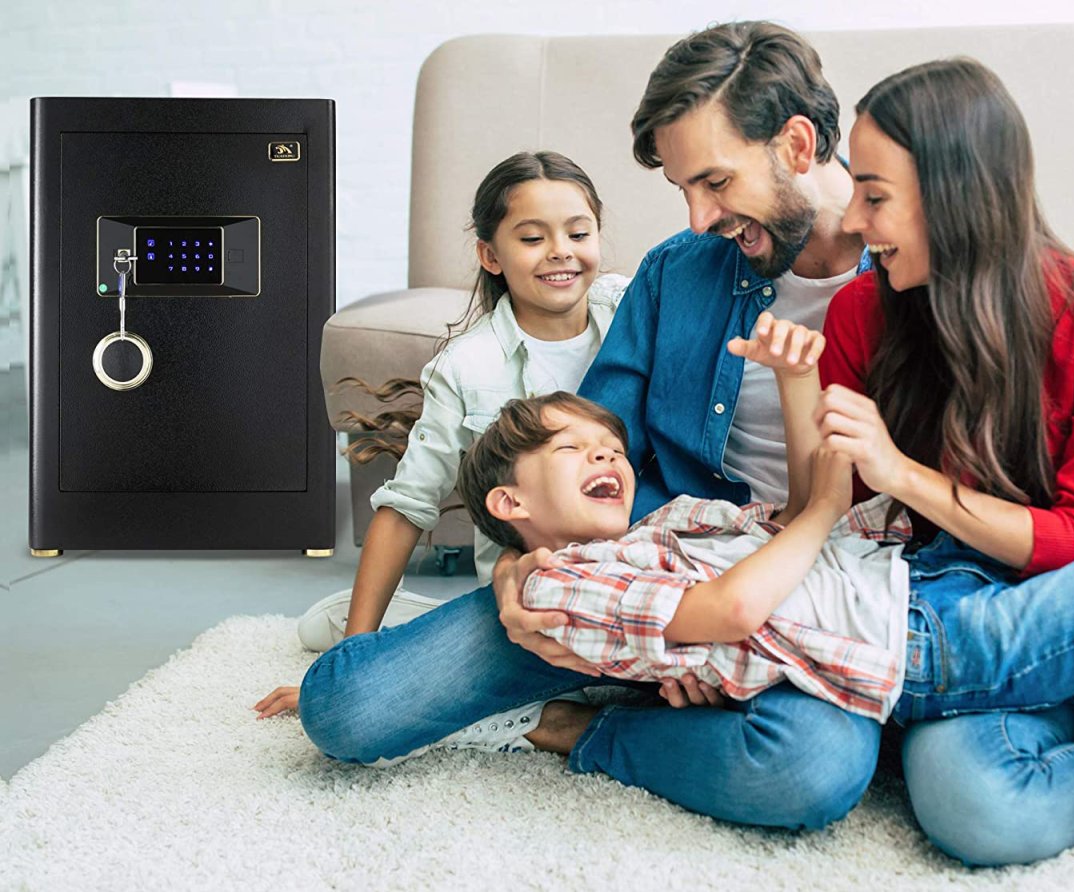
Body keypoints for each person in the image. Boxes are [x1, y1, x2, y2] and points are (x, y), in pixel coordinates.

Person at [291, 22, 887, 832]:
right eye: (684, 189)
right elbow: (589, 439)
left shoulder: (912, 276)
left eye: (714, 182)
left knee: (807, 773)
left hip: (813, 590)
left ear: (796, 143)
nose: (700, 217)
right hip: (639, 581)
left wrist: (723, 638)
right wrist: (518, 566)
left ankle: (593, 728)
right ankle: (636, 706)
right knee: (348, 707)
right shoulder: (678, 269)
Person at [817, 57, 1074, 865]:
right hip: (971, 617)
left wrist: (904, 473)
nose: (852, 220)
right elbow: (843, 536)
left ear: (957, 195)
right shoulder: (860, 313)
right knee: (977, 808)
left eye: (875, 196)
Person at [455, 358, 1074, 734]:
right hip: (919, 649)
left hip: (921, 570)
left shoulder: (665, 526)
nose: (606, 459)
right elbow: (735, 607)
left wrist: (805, 391)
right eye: (572, 449)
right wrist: (827, 507)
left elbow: (801, 518)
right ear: (509, 503)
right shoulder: (552, 586)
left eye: (610, 448)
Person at [254, 150, 627, 719]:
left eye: (579, 232)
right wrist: (356, 654)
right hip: (524, 593)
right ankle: (356, 621)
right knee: (352, 674)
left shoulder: (632, 312)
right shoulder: (468, 367)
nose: (561, 252)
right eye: (531, 239)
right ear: (490, 255)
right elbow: (406, 507)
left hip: (633, 574)